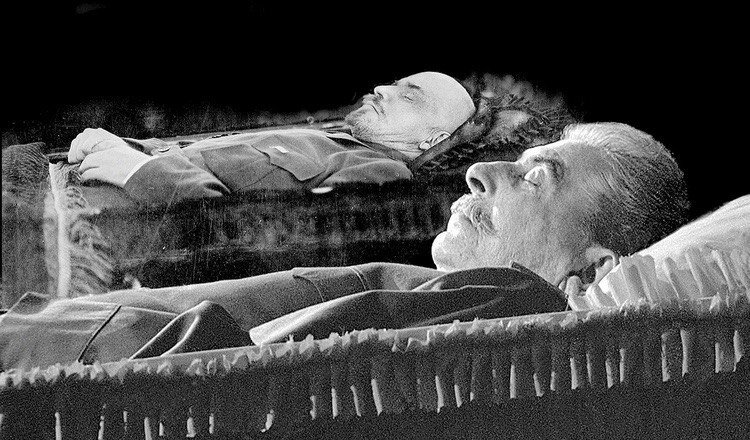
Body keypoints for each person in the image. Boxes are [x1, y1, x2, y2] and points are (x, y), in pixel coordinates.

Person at [0, 122, 689, 371]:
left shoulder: (508, 299)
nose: (482, 171)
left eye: (538, 177)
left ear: (594, 267)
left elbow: (234, 374)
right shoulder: (454, 302)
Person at [66, 71, 477, 206]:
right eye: (394, 83)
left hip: (106, 217)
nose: (382, 89)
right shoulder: (327, 136)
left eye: (409, 96)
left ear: (432, 140)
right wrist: (126, 147)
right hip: (86, 183)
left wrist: (140, 170)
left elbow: (256, 232)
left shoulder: (382, 175)